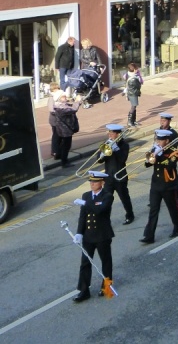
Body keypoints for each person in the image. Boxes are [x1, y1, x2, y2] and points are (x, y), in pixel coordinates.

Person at [71, 171, 114, 302]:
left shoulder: (107, 196)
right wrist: (79, 232)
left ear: (102, 183)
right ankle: (84, 291)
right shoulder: (86, 195)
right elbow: (83, 216)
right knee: (85, 263)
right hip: (88, 236)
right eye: (91, 182)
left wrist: (85, 203)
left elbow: (100, 210)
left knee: (105, 262)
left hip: (102, 235)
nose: (92, 184)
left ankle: (106, 287)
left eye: (95, 182)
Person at [139, 130, 178, 244]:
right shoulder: (155, 150)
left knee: (172, 208)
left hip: (168, 185)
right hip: (156, 184)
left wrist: (161, 155)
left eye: (161, 140)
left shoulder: (174, 152)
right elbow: (147, 164)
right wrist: (152, 156)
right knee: (153, 209)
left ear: (167, 140)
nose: (158, 142)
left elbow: (170, 166)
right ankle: (149, 235)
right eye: (157, 139)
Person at [95, 124, 134, 225]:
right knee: (106, 200)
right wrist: (102, 153)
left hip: (120, 176)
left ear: (118, 134)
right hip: (108, 177)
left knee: (124, 198)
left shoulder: (124, 145)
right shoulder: (106, 143)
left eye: (112, 132)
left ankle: (130, 215)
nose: (109, 134)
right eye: (109, 132)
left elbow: (122, 160)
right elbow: (99, 160)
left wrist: (116, 149)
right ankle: (105, 220)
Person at [53, 92, 81, 168]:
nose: (65, 97)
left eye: (65, 96)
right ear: (59, 99)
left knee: (63, 145)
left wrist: (77, 101)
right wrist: (77, 101)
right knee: (66, 146)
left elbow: (72, 107)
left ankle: (60, 157)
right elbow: (73, 109)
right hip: (65, 130)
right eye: (63, 97)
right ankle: (64, 162)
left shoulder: (62, 105)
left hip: (65, 129)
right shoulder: (60, 107)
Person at [122, 62, 143, 127]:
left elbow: (126, 84)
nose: (137, 70)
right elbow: (139, 84)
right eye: (136, 69)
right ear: (134, 69)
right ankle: (130, 121)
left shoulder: (128, 75)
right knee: (133, 106)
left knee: (134, 106)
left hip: (131, 93)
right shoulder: (133, 78)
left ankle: (133, 121)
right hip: (133, 93)